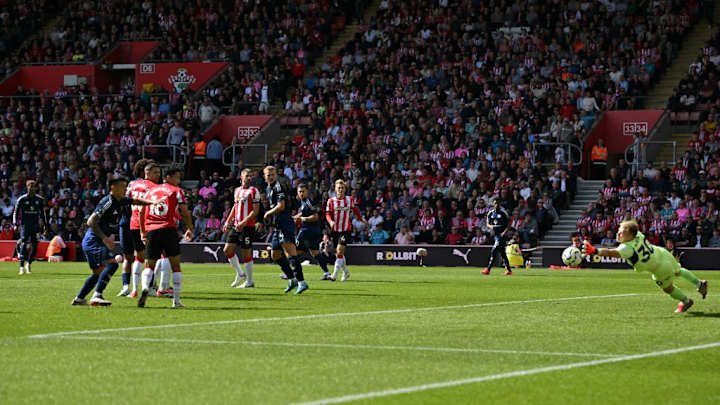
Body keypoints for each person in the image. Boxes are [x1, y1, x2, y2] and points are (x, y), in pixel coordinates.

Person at [583, 220, 708, 313]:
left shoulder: (627, 248)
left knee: (668, 288)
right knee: (678, 271)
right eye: (618, 231)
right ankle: (699, 283)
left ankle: (686, 301)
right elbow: (633, 228)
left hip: (659, 268)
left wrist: (595, 251)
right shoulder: (638, 234)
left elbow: (611, 253)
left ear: (630, 235)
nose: (618, 234)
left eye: (622, 232)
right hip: (662, 253)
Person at [71, 176, 157, 306]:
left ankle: (79, 298)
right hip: (94, 240)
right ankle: (97, 296)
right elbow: (90, 221)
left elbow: (136, 201)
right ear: (113, 188)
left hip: (93, 241)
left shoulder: (120, 200)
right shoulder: (109, 202)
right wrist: (105, 238)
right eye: (123, 186)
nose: (126, 189)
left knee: (97, 273)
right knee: (112, 264)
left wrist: (154, 202)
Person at [138, 168, 194, 308]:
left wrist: (143, 232)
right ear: (168, 177)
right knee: (175, 266)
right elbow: (185, 212)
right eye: (177, 178)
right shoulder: (176, 191)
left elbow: (141, 211)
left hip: (152, 230)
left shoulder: (151, 191)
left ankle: (146, 287)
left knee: (149, 265)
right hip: (168, 229)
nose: (179, 181)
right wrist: (190, 228)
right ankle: (176, 301)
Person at [117, 160, 162, 297]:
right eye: (156, 172)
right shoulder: (153, 187)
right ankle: (151, 286)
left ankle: (129, 288)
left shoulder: (132, 185)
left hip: (129, 222)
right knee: (151, 257)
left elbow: (123, 199)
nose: (158, 175)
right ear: (146, 172)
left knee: (130, 257)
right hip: (144, 223)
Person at [263, 166, 308, 294]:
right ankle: (292, 279)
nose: (270, 177)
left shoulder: (279, 187)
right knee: (275, 255)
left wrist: (268, 213)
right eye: (268, 175)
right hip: (278, 226)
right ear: (264, 176)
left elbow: (281, 206)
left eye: (272, 174)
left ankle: (302, 282)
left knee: (290, 253)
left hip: (285, 224)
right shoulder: (268, 188)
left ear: (276, 175)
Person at [221, 168, 259, 288]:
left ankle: (250, 281)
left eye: (251, 176)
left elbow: (255, 211)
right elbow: (235, 207)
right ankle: (240, 273)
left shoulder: (254, 191)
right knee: (227, 250)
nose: (249, 178)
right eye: (247, 175)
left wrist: (243, 222)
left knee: (246, 253)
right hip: (236, 225)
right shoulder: (237, 190)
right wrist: (228, 221)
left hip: (247, 226)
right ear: (241, 177)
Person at [326, 179, 367, 281]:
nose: (340, 189)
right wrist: (331, 221)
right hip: (335, 230)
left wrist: (362, 219)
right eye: (338, 188)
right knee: (339, 253)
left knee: (339, 251)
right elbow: (327, 214)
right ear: (335, 189)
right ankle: (346, 272)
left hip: (345, 229)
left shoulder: (350, 200)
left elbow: (356, 210)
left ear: (345, 189)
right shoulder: (331, 201)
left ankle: (334, 275)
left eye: (342, 188)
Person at [293, 183, 332, 280]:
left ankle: (292, 273)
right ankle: (327, 273)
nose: (301, 193)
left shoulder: (309, 202)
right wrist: (295, 217)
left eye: (303, 191)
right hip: (313, 231)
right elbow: (304, 212)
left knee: (294, 251)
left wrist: (302, 219)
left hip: (307, 230)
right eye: (299, 192)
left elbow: (315, 217)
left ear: (307, 192)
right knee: (315, 253)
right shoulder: (303, 202)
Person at [13, 180, 47, 275]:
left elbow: (43, 214)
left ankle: (29, 264)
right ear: (27, 187)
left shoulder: (39, 199)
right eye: (30, 186)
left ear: (36, 188)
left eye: (33, 186)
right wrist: (15, 224)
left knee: (35, 244)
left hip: (35, 225)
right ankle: (21, 267)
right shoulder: (22, 199)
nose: (32, 188)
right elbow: (15, 212)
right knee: (24, 242)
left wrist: (45, 225)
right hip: (25, 225)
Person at [482, 198, 513, 275]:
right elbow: (487, 223)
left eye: (498, 203)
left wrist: (504, 232)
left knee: (494, 250)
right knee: (502, 253)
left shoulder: (503, 213)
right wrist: (491, 226)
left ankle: (488, 269)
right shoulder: (490, 213)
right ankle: (509, 270)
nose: (496, 205)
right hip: (495, 235)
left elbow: (509, 224)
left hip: (501, 236)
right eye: (495, 203)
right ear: (493, 204)